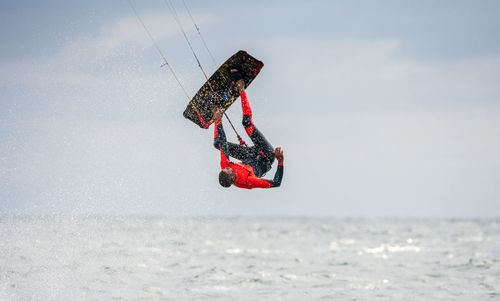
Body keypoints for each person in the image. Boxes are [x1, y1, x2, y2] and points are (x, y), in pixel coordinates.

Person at [212, 69, 284, 189]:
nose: (228, 166)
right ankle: (241, 88)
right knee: (247, 123)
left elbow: (223, 143)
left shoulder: (225, 166)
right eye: (229, 169)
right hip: (266, 156)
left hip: (249, 155)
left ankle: (216, 114)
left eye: (226, 168)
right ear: (232, 177)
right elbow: (276, 183)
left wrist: (218, 122)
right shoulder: (249, 181)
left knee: (217, 143)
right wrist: (280, 161)